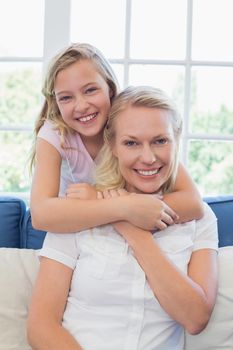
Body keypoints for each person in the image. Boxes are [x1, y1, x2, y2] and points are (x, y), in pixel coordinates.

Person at [27, 86, 218, 350]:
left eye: (160, 141)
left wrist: (129, 225)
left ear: (176, 141)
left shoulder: (199, 219)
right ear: (113, 146)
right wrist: (119, 209)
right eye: (131, 143)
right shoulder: (76, 212)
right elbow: (40, 328)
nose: (148, 158)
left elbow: (195, 318)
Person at [29, 42, 204, 235]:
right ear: (56, 102)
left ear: (110, 88)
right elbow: (40, 215)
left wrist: (118, 203)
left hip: (118, 232)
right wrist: (124, 207)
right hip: (70, 230)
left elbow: (193, 203)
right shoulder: (54, 134)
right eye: (66, 98)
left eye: (90, 90)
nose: (81, 106)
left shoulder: (129, 122)